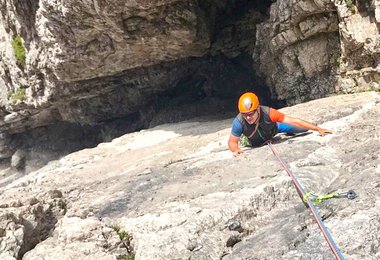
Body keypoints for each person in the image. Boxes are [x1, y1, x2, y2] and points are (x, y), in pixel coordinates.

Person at [228, 92, 333, 156]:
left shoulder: (269, 113)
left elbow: (293, 121)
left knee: (303, 129)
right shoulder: (239, 122)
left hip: (275, 129)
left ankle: (288, 132)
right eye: (245, 115)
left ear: (258, 109)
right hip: (252, 140)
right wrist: (236, 150)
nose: (248, 117)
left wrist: (317, 128)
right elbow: (232, 141)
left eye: (251, 114)